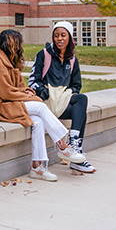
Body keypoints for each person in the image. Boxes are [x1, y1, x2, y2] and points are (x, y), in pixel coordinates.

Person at [0, 29, 87, 181]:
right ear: (10, 45)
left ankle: (37, 167)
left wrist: (28, 91)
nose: (20, 47)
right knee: (40, 106)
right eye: (18, 43)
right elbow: (5, 93)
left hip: (12, 102)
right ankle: (63, 145)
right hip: (0, 106)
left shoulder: (11, 63)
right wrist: (29, 97)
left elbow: (18, 87)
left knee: (38, 122)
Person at [28, 21, 95, 173]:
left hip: (63, 100)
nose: (59, 39)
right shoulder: (44, 54)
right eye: (56, 35)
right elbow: (32, 80)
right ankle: (75, 152)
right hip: (46, 101)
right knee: (81, 104)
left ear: (70, 37)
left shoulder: (72, 59)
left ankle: (74, 149)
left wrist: (69, 92)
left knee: (81, 103)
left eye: (63, 35)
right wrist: (41, 90)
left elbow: (76, 85)